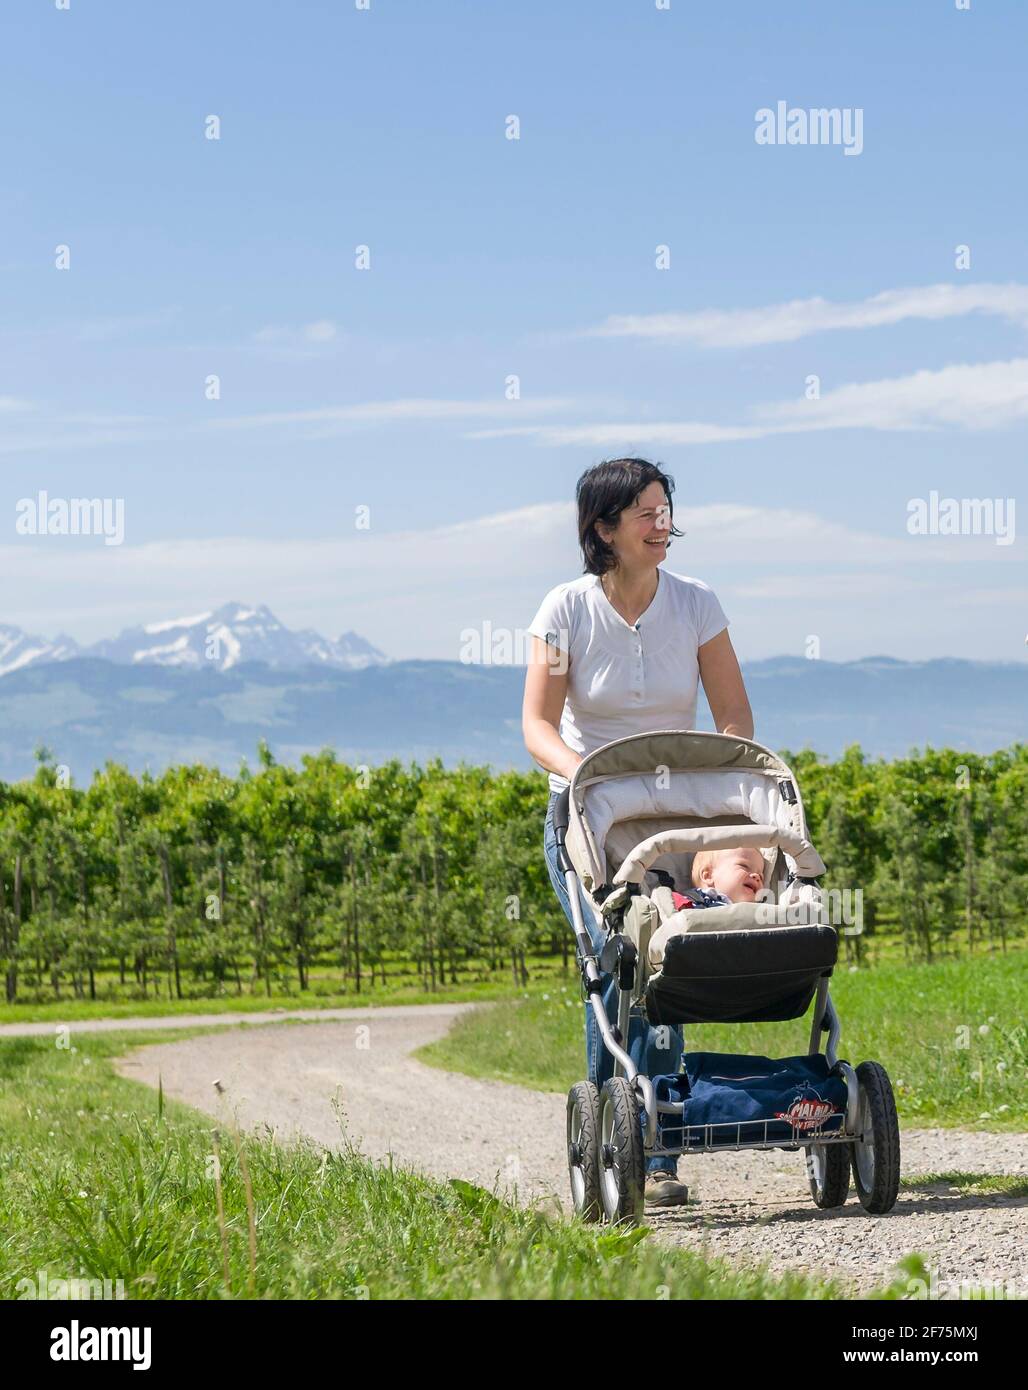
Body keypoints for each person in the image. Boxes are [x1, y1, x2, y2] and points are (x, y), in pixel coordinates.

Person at [523, 457, 755, 1208]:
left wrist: (725, 809)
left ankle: (657, 1147)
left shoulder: (697, 603)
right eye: (647, 515)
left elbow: (732, 719)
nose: (664, 526)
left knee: (664, 959)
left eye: (667, 511)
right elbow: (536, 725)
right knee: (611, 965)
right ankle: (603, 1140)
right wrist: (584, 771)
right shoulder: (563, 610)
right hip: (589, 819)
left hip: (675, 818)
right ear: (604, 529)